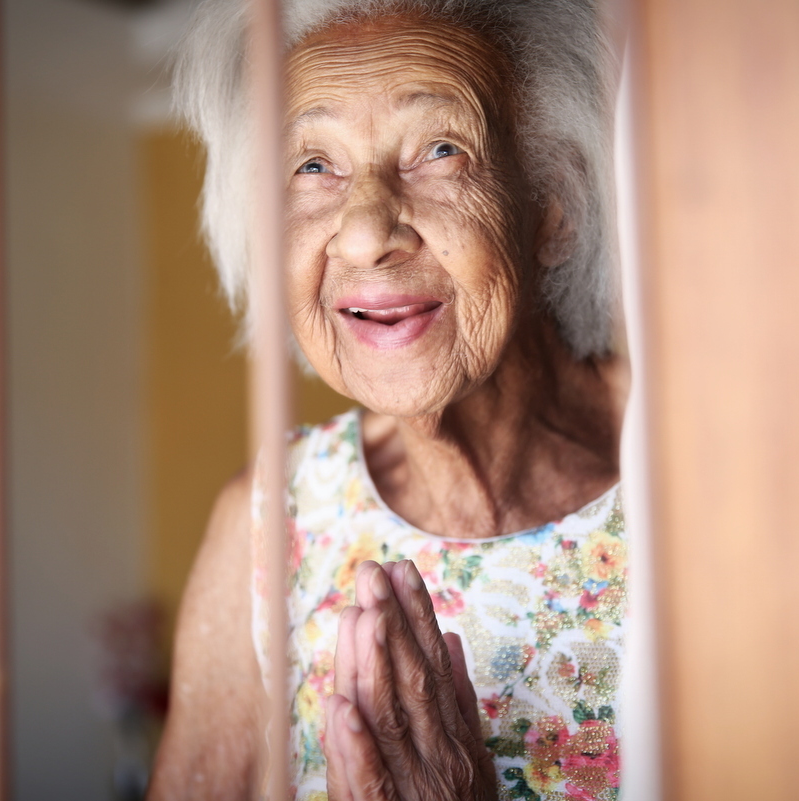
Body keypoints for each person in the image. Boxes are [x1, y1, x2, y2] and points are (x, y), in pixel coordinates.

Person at [148, 1, 628, 798]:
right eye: (313, 165)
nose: (366, 230)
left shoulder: (696, 456)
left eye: (439, 149)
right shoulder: (271, 522)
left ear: (552, 204)